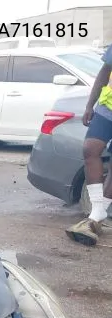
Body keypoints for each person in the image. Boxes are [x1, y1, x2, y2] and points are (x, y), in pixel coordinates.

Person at [67, 46, 112, 246]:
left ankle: (97, 217)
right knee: (90, 149)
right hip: (108, 107)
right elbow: (105, 71)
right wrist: (89, 104)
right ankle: (97, 211)